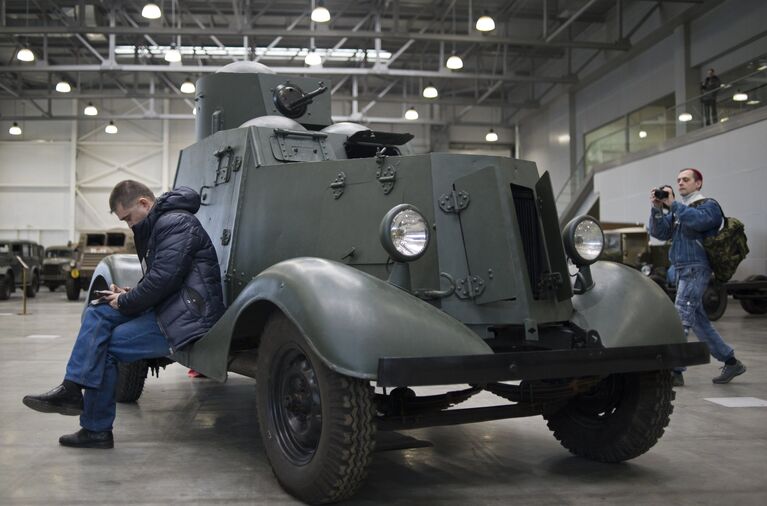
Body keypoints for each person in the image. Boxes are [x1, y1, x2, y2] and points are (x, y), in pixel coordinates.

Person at [22, 181, 225, 448]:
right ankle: (72, 388)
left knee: (105, 347)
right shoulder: (162, 224)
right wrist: (128, 292)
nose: (128, 225)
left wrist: (126, 300)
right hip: (173, 307)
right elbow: (163, 279)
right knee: (99, 310)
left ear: (143, 203)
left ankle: (95, 428)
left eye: (128, 218)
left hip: (190, 316)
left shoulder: (175, 222)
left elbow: (164, 280)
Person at [648, 168, 746, 386]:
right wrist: (656, 208)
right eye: (678, 180)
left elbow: (699, 222)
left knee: (680, 316)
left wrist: (673, 204)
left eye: (686, 179)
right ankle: (731, 362)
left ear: (698, 183)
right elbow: (660, 233)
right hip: (681, 269)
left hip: (696, 269)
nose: (681, 183)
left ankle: (674, 371)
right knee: (699, 321)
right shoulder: (678, 210)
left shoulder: (708, 206)